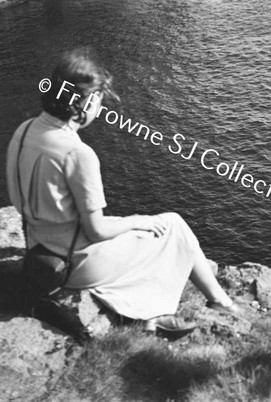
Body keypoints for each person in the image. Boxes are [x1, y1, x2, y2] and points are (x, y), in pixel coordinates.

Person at [6, 48, 237, 334]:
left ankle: (157, 314)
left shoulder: (25, 130)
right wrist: (139, 220)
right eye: (99, 100)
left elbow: (21, 202)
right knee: (171, 225)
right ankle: (219, 302)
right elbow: (96, 231)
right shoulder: (78, 153)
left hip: (38, 249)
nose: (100, 109)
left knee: (144, 235)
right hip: (76, 264)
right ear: (86, 101)